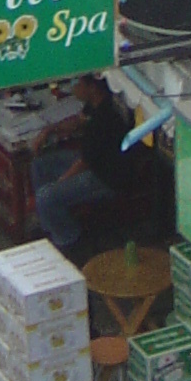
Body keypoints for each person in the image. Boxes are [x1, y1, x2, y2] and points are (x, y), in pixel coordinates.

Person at [31, 75, 132, 256]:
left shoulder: (105, 118)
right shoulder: (95, 105)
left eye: (77, 84)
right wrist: (50, 130)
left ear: (92, 87)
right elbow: (79, 120)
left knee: (46, 197)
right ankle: (49, 225)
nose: (73, 88)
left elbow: (84, 163)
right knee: (40, 166)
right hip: (91, 162)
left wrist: (60, 183)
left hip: (105, 177)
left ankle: (69, 241)